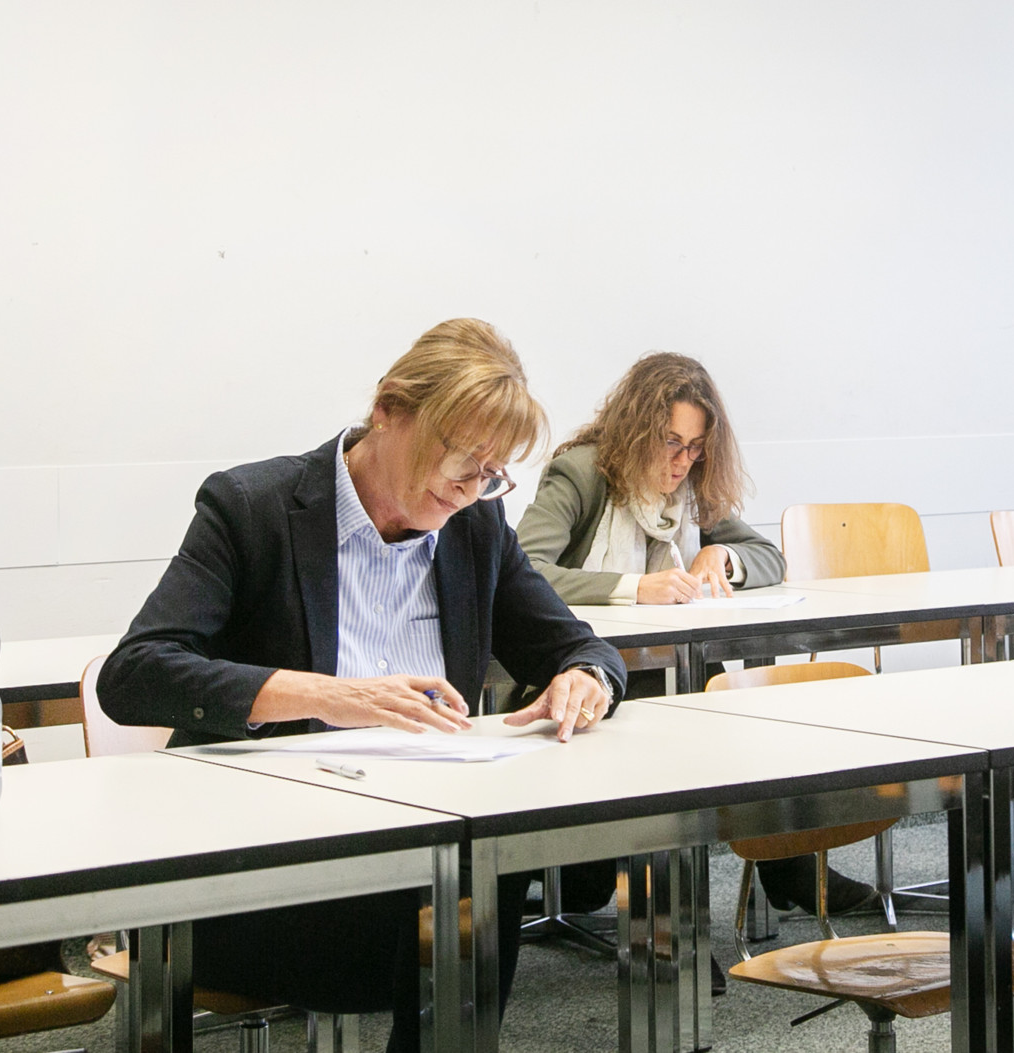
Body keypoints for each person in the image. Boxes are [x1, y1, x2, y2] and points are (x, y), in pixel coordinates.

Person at [97, 318, 626, 1051]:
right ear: (389, 410)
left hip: (421, 860)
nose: (471, 488)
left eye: (492, 472)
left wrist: (584, 676)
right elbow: (135, 673)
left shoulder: (475, 524)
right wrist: (328, 695)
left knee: (493, 861)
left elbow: (578, 643)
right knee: (472, 886)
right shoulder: (254, 508)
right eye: (461, 460)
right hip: (264, 869)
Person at [517, 352, 872, 919]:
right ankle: (673, 922)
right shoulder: (581, 472)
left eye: (695, 446)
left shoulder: (691, 490)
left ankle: (785, 869)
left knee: (749, 715)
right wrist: (635, 586)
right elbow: (526, 571)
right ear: (634, 431)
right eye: (670, 443)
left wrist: (719, 555)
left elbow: (768, 557)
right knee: (676, 731)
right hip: (585, 678)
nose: (683, 462)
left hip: (673, 673)